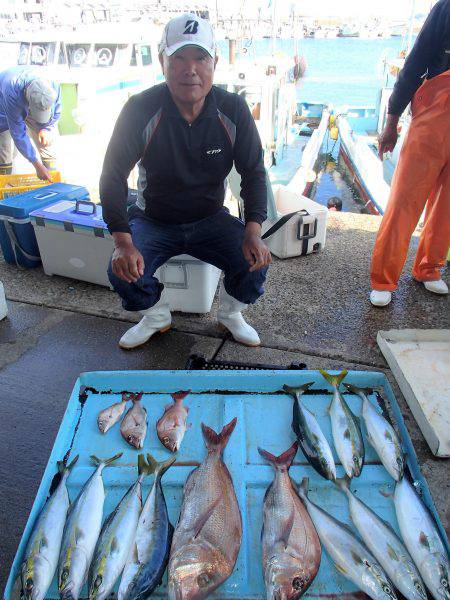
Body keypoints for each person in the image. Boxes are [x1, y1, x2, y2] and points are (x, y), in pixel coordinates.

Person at [100, 13, 271, 350]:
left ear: (214, 62)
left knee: (256, 262)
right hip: (153, 220)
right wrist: (122, 239)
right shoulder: (140, 109)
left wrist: (253, 231)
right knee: (119, 270)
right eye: (178, 58)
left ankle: (232, 313)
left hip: (210, 218)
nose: (189, 69)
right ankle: (156, 316)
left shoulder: (233, 109)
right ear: (163, 60)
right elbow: (112, 175)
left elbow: (253, 172)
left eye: (200, 58)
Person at [370, 0, 450, 307]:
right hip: (434, 113)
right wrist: (392, 122)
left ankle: (430, 267)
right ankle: (383, 278)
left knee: (447, 206)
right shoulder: (445, 8)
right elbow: (416, 63)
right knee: (406, 198)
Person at [0, 67, 61, 181]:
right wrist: (36, 164)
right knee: (5, 148)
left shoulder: (53, 85)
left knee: (47, 143)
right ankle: (5, 189)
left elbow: (57, 110)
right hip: (4, 105)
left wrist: (47, 128)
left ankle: (52, 185)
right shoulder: (12, 88)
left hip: (30, 98)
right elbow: (18, 133)